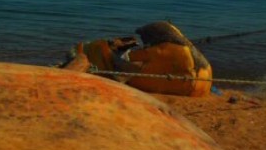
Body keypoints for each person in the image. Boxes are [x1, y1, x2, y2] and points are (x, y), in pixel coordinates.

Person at [63, 21, 213, 97]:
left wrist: (113, 48)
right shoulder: (185, 49)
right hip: (202, 86)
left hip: (180, 87)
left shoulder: (159, 50)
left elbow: (128, 58)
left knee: (107, 55)